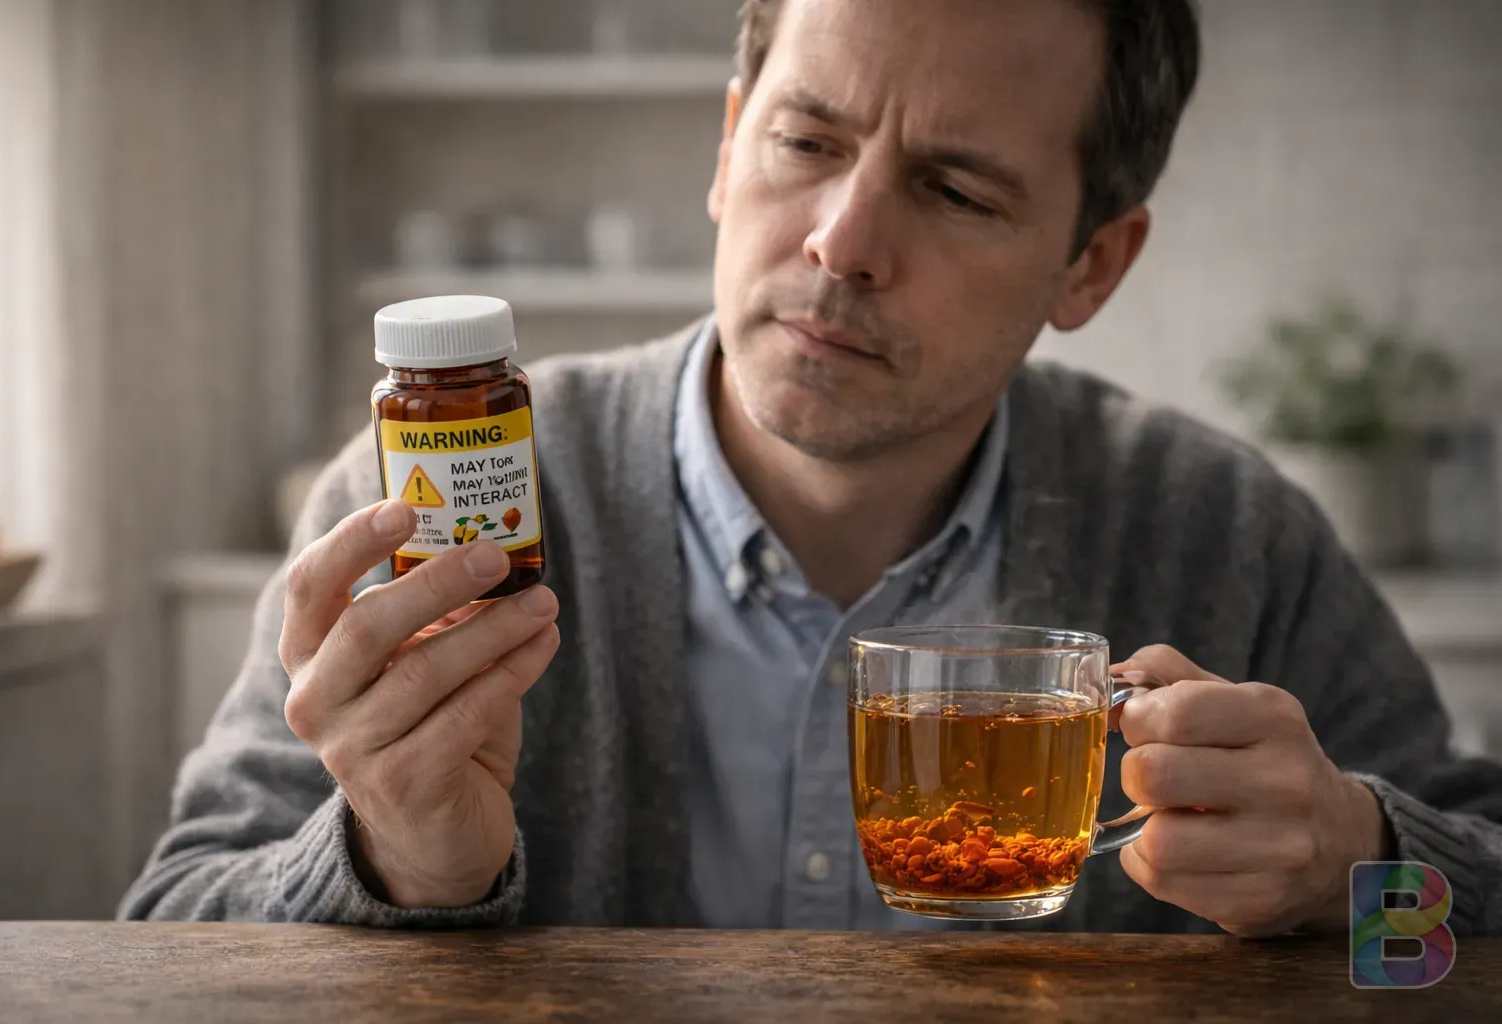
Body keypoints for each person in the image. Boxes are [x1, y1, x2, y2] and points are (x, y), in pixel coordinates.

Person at [121, 0, 1502, 936]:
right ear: (727, 150)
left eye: (957, 191)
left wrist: (1356, 868)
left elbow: (1453, 938)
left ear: (1091, 264)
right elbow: (167, 940)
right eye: (806, 141)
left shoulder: (1225, 533)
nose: (843, 240)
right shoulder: (440, 492)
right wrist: (393, 869)